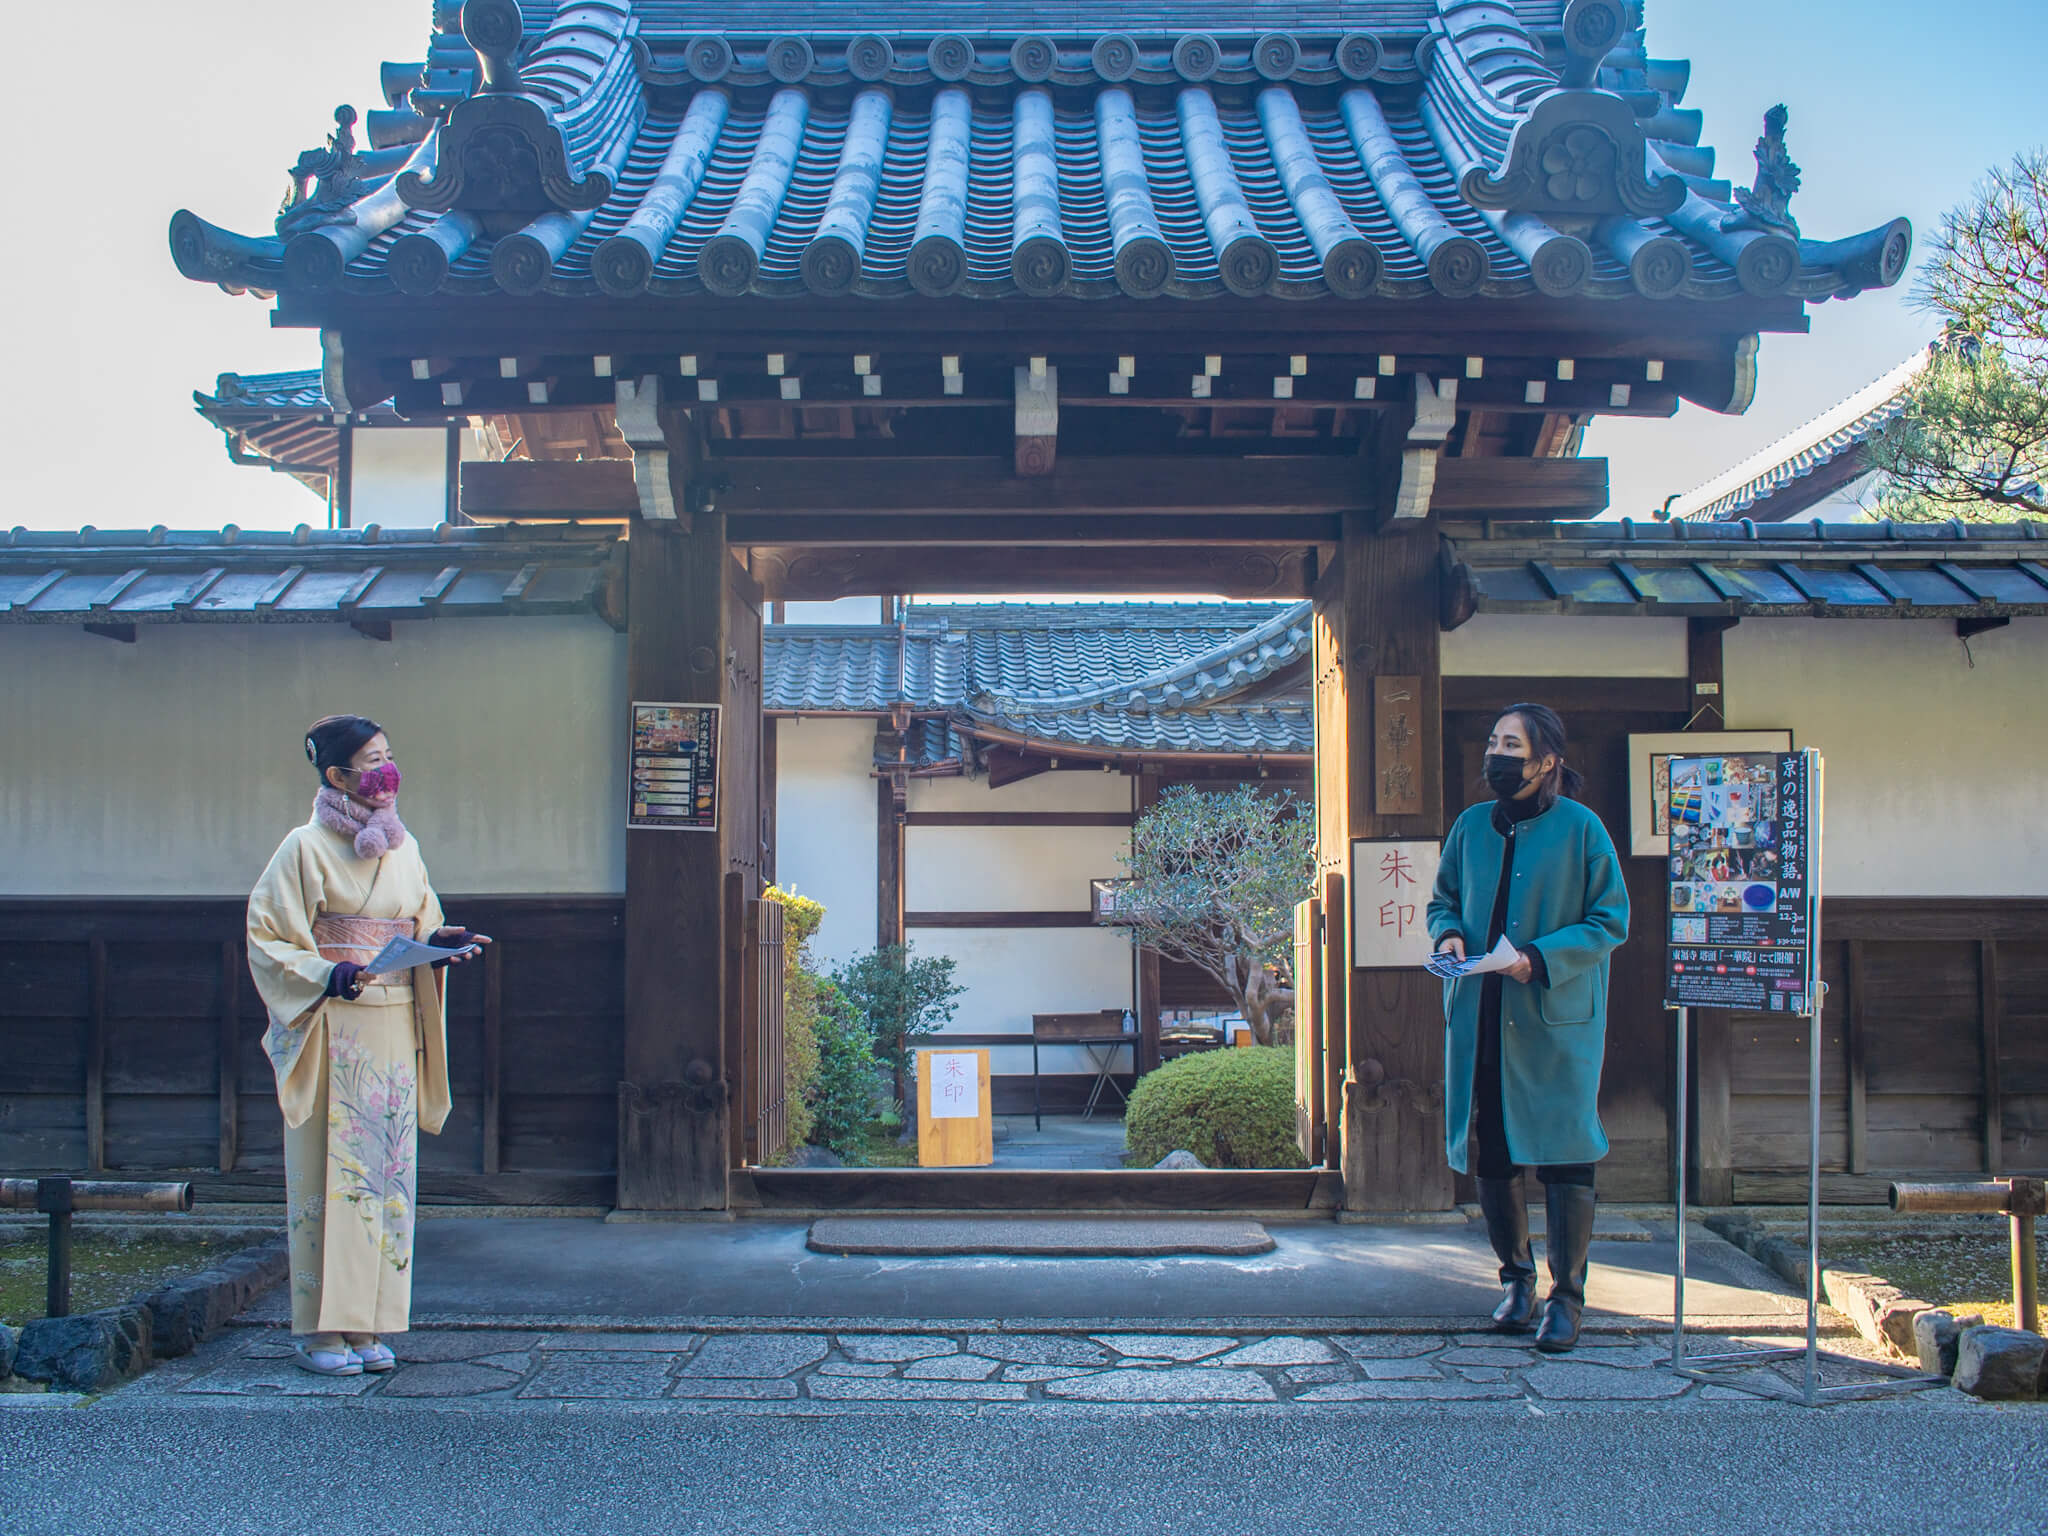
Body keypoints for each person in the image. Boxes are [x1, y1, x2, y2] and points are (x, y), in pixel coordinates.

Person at [245, 715, 489, 1375]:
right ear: (337, 776)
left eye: (389, 755)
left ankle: (371, 1323)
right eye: (372, 759)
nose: (387, 769)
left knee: (386, 1177)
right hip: (334, 1025)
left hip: (393, 1022)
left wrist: (439, 945)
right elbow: (268, 936)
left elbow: (422, 918)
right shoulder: (304, 847)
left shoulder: (404, 847)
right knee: (335, 1173)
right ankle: (323, 1332)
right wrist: (329, 972)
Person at [1426, 704, 1628, 1352]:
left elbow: (1608, 920)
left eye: (1511, 745)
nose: (1497, 756)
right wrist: (1449, 934)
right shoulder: (1469, 827)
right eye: (1493, 743)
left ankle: (1566, 1298)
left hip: (1553, 1012)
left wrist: (1535, 958)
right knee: (1494, 1146)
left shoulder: (1582, 830)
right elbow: (1443, 900)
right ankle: (1516, 1282)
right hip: (1482, 1010)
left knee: (1567, 1151)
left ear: (1547, 762)